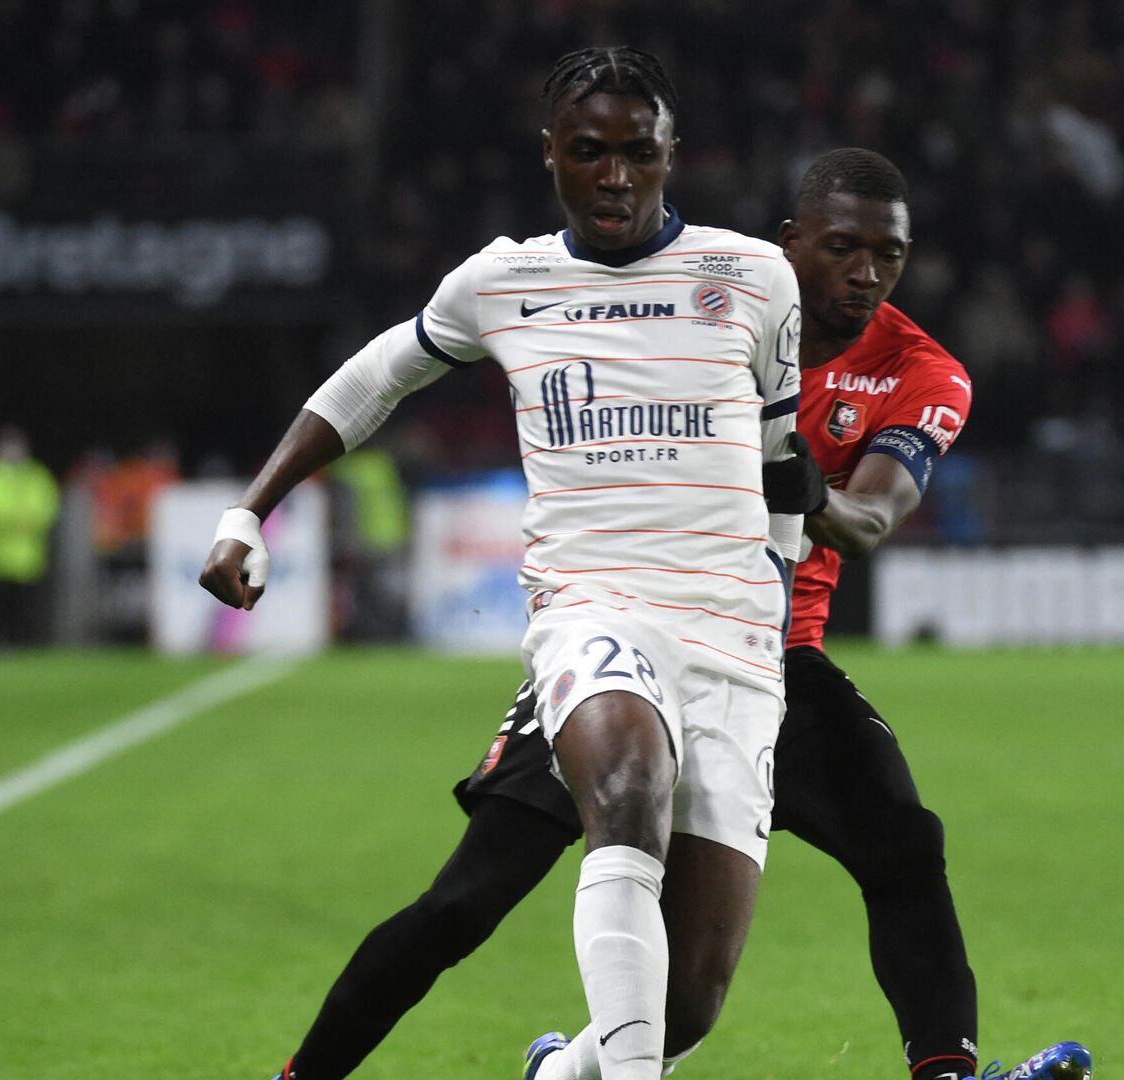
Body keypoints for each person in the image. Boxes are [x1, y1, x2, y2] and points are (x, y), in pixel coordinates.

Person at [265, 150, 1089, 1080]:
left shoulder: (921, 370)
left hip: (769, 661)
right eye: (844, 248)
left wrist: (802, 489)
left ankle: (941, 1073)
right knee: (466, 902)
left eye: (888, 256)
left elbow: (867, 520)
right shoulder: (708, 301)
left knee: (894, 846)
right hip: (631, 635)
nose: (865, 274)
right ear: (791, 247)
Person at [201, 47, 810, 1080]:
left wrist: (779, 609)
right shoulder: (504, 281)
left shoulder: (752, 277)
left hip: (731, 645)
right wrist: (249, 511)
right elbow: (370, 381)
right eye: (589, 154)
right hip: (594, 616)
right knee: (620, 786)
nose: (615, 176)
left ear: (672, 155)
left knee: (690, 995)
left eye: (637, 153)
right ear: (550, 156)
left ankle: (561, 1072)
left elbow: (783, 465)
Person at [0, 425, 60, 643]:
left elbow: (48, 506)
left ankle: (24, 641)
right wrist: (19, 520)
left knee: (25, 606)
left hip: (27, 558)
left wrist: (23, 520)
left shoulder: (36, 474)